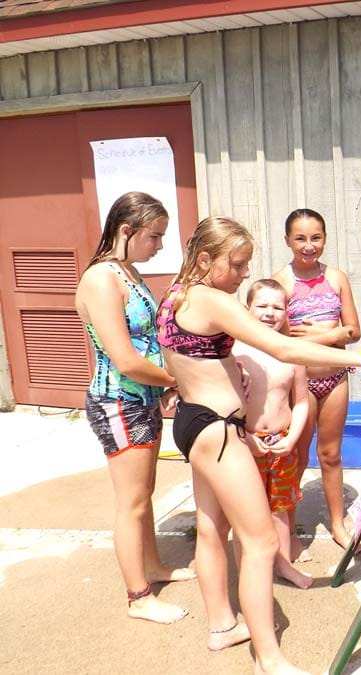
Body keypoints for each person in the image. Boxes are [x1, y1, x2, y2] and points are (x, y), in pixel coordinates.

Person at [156, 215, 361, 672]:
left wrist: (224, 367)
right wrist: (358, 357)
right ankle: (269, 657)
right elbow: (283, 348)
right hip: (218, 429)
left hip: (191, 420)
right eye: (239, 264)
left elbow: (192, 355)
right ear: (206, 259)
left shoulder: (175, 294)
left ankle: (223, 626)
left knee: (211, 530)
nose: (246, 273)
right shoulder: (211, 298)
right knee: (261, 542)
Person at [75, 191, 195, 625]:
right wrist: (176, 380)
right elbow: (124, 359)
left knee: (143, 497)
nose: (160, 246)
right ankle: (138, 597)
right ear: (126, 230)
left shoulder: (127, 272)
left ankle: (154, 566)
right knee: (132, 502)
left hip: (141, 400)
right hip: (118, 402)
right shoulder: (100, 280)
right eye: (154, 236)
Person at [273, 208, 361, 549]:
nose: (309, 246)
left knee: (331, 454)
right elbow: (278, 342)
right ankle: (288, 531)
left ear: (324, 238)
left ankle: (338, 522)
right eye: (300, 239)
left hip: (335, 378)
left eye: (316, 238)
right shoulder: (281, 283)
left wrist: (322, 335)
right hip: (301, 384)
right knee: (294, 455)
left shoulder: (336, 278)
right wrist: (331, 334)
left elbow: (353, 331)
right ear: (287, 241)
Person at [233, 279, 312, 589]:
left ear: (287, 312)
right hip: (244, 442)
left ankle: (284, 564)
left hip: (281, 441)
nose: (269, 312)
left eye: (277, 306)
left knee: (281, 509)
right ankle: (251, 574)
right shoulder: (235, 352)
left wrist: (292, 437)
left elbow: (302, 402)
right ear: (247, 308)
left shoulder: (291, 354)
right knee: (245, 514)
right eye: (261, 306)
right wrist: (246, 438)